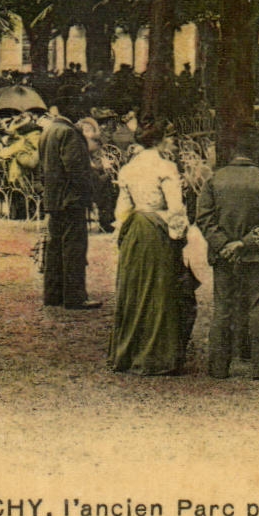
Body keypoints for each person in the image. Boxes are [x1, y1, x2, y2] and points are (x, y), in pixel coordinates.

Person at [195, 127, 259, 379]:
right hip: (257, 256)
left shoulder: (215, 180)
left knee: (222, 307)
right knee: (258, 308)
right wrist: (244, 243)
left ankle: (218, 367)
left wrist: (224, 244)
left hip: (223, 255)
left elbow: (203, 218)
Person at [107, 118, 193, 375]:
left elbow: (121, 209)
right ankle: (156, 355)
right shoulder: (165, 167)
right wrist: (179, 235)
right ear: (159, 141)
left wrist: (122, 235)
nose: (171, 143)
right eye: (169, 138)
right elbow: (175, 208)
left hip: (135, 230)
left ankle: (130, 350)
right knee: (159, 290)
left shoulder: (129, 168)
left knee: (135, 289)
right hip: (157, 229)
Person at [38, 89, 100, 309]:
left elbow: (42, 168)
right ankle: (75, 296)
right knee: (74, 248)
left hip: (54, 199)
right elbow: (76, 170)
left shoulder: (48, 131)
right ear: (73, 110)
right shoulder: (70, 133)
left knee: (54, 248)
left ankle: (53, 294)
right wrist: (88, 195)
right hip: (71, 199)